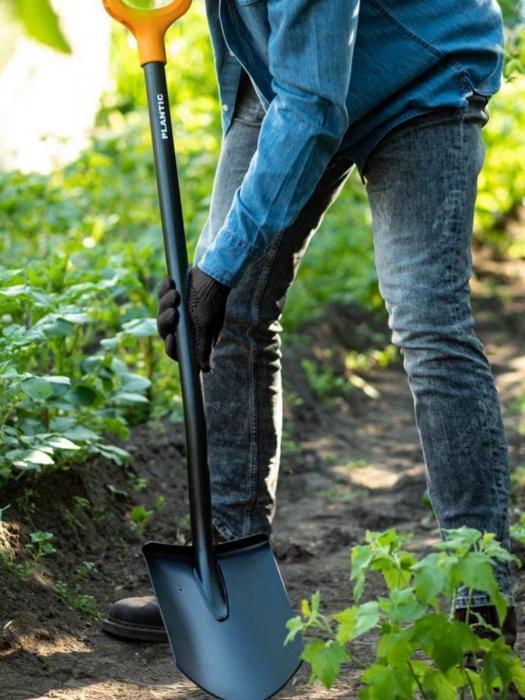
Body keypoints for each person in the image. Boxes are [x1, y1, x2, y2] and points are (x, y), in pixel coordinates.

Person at [102, 0, 518, 651]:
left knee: (426, 318)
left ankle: (480, 579)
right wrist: (222, 259)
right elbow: (268, 64)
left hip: (421, 76)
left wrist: (222, 257)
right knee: (230, 305)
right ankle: (230, 569)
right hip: (290, 82)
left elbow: (315, 109)